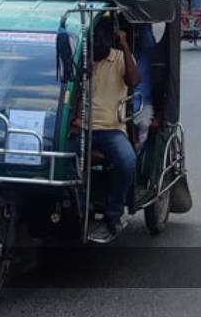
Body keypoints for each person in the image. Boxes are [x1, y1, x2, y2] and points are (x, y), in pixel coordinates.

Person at [84, 17, 140, 243]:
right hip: (81, 129)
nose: (98, 42)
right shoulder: (82, 58)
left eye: (103, 37)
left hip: (110, 129)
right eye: (95, 37)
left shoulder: (120, 58)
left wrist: (125, 46)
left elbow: (134, 80)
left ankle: (113, 212)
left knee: (127, 161)